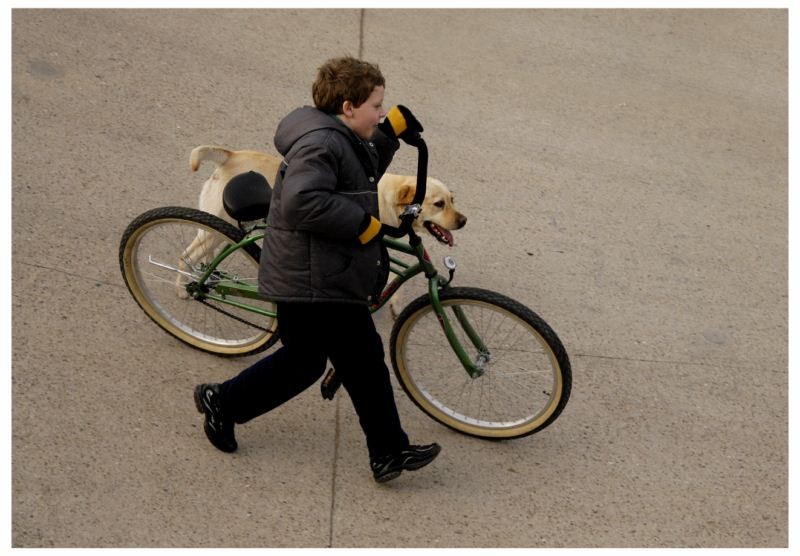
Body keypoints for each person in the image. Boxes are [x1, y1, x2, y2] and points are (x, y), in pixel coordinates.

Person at [193, 56, 440, 483]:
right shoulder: (320, 144)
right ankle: (388, 450)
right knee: (354, 358)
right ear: (347, 107)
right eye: (377, 106)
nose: (381, 111)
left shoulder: (339, 135)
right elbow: (303, 202)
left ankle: (225, 402)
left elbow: (354, 173)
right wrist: (363, 225)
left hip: (323, 267)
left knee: (311, 361)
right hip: (311, 274)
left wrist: (386, 133)